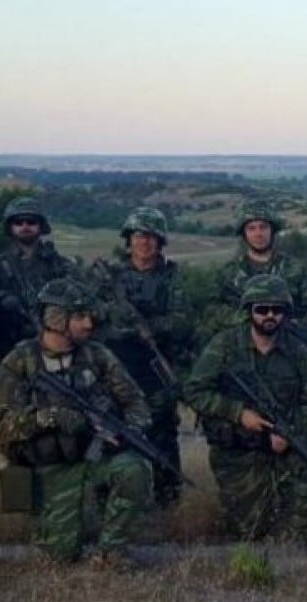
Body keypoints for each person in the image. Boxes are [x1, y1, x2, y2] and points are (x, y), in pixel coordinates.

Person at [0, 278, 153, 568]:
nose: (89, 324)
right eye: (80, 316)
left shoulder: (97, 355)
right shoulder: (20, 361)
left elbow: (135, 401)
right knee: (60, 556)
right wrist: (46, 418)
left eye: (89, 316)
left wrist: (130, 431)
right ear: (56, 319)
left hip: (95, 456)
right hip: (49, 466)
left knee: (134, 469)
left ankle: (110, 549)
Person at [184, 275, 307, 540]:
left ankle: (301, 537)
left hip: (284, 441)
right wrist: (238, 413)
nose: (270, 315)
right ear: (249, 311)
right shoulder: (225, 345)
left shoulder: (296, 349)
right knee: (250, 531)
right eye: (262, 309)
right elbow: (194, 391)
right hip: (239, 447)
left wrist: (288, 432)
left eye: (277, 310)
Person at [89, 207, 190, 508]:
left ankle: (168, 506)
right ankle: (110, 504)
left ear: (160, 242)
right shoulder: (109, 278)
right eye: (138, 236)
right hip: (115, 369)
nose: (144, 243)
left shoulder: (172, 279)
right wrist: (115, 319)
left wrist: (148, 327)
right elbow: (89, 314)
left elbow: (183, 322)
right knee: (110, 435)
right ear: (128, 241)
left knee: (162, 437)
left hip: (154, 368)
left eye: (151, 237)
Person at [0, 197, 81, 425]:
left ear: (41, 226)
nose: (25, 226)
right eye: (18, 222)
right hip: (7, 352)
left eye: (31, 221)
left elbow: (79, 302)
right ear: (10, 227)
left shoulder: (60, 266)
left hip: (54, 351)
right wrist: (1, 300)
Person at [211, 199, 307, 347]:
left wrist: (288, 325)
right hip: (240, 349)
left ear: (272, 230)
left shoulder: (295, 269)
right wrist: (245, 319)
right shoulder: (229, 273)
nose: (258, 234)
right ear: (244, 234)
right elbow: (211, 310)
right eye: (251, 228)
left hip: (288, 348)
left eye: (263, 227)